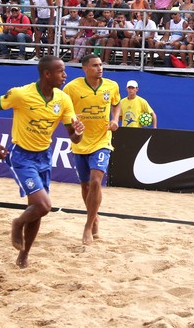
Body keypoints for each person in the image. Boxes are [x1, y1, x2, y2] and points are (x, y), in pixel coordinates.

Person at [0, 56, 84, 268]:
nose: (65, 75)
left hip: (44, 156)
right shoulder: (21, 94)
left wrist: (78, 133)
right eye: (61, 71)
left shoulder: (63, 99)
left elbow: (73, 137)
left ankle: (24, 255)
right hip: (22, 156)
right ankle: (17, 223)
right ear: (47, 74)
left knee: (37, 210)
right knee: (44, 205)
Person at [63, 54, 120, 245]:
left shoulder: (111, 85)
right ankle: (94, 216)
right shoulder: (72, 87)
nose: (99, 68)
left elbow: (116, 103)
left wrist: (114, 119)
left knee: (96, 181)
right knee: (85, 185)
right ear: (85, 68)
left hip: (102, 140)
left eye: (101, 64)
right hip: (80, 142)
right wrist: (72, 120)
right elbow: (64, 109)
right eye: (95, 65)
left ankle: (88, 226)